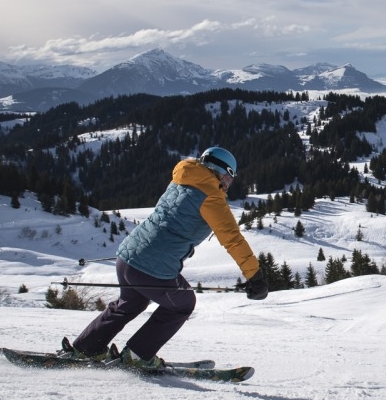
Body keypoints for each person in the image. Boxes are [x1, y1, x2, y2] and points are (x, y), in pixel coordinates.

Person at [63, 147, 268, 368]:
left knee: (131, 302)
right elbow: (233, 239)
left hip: (127, 259)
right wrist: (255, 277)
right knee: (183, 303)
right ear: (223, 172)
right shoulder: (211, 197)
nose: (229, 183)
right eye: (231, 176)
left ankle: (86, 347)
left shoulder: (182, 179)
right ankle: (137, 356)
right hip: (151, 267)